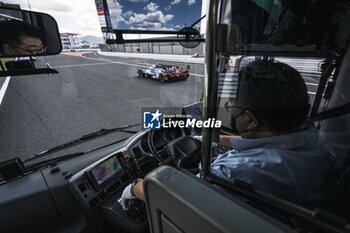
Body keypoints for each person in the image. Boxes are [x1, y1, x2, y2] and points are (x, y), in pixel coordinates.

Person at [121, 60, 336, 209]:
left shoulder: (234, 173)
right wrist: (221, 140)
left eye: (232, 105)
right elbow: (270, 144)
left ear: (251, 120)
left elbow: (174, 199)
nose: (230, 109)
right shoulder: (314, 140)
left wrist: (135, 187)